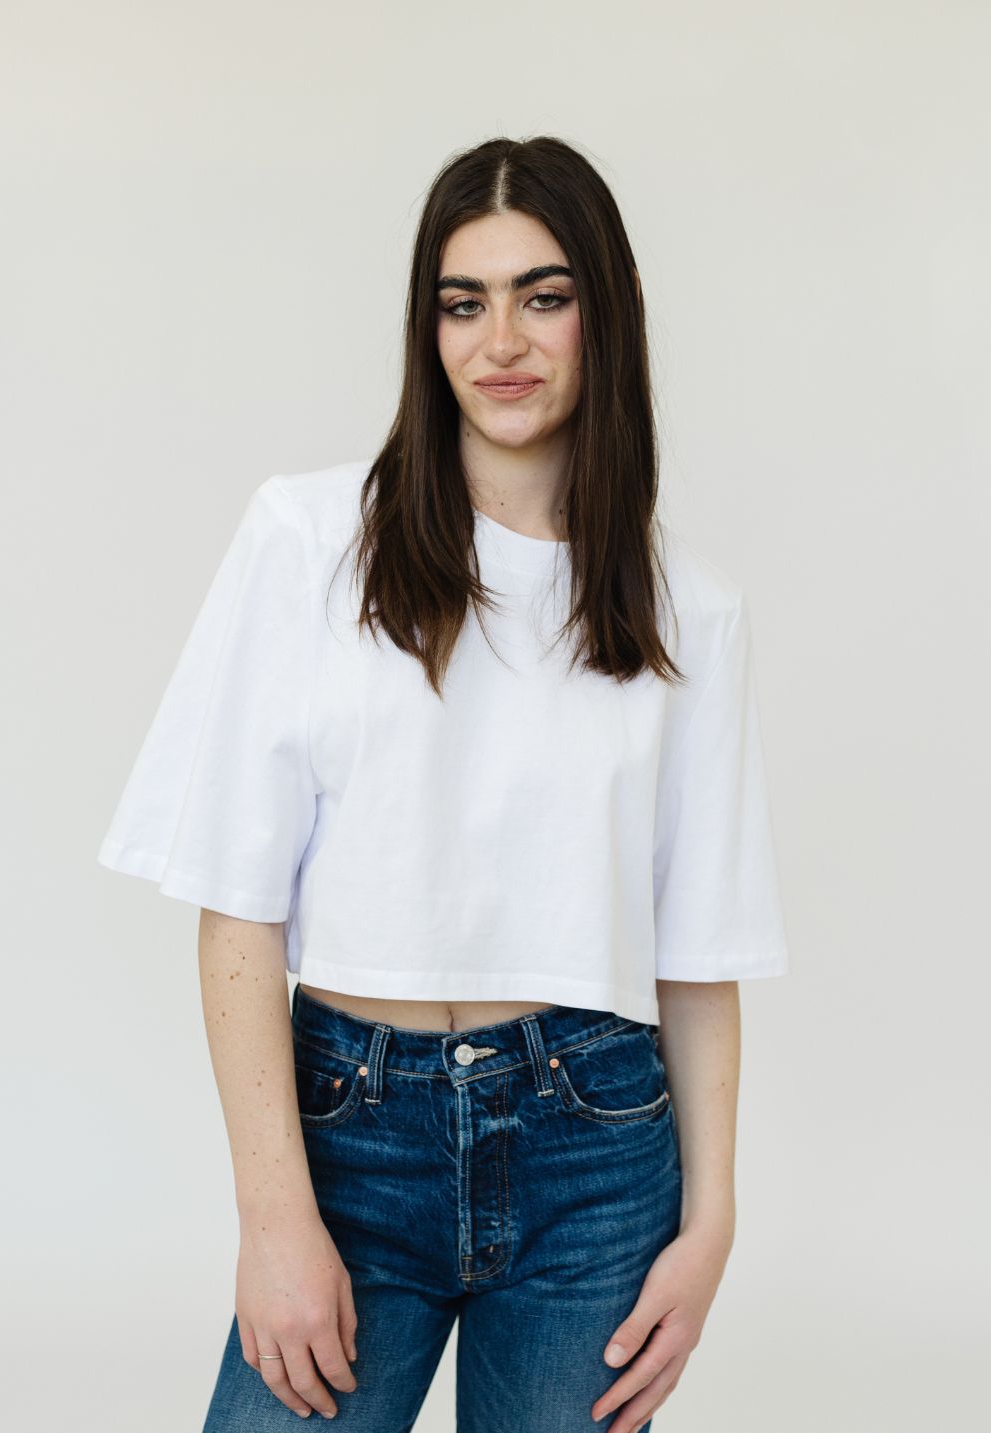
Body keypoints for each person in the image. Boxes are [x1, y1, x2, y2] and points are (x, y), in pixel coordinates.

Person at [96, 135, 790, 1432]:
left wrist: (712, 1228)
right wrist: (275, 1215)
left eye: (544, 296)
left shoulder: (691, 611)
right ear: (429, 330)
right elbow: (238, 910)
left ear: (608, 312)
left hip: (596, 1149)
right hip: (352, 1133)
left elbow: (699, 956)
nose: (501, 341)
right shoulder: (309, 541)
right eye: (463, 303)